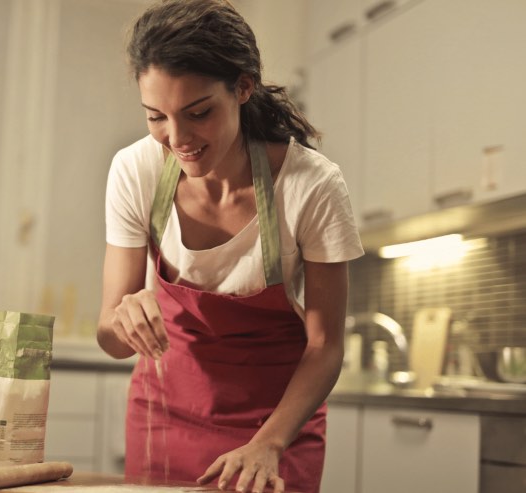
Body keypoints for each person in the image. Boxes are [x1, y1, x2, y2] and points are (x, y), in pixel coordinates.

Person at [97, 1, 364, 492]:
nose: (177, 138)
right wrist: (123, 319)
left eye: (198, 113)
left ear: (243, 87)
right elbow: (109, 338)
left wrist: (271, 442)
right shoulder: (137, 171)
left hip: (276, 427)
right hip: (164, 419)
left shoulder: (311, 186)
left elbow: (326, 346)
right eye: (156, 117)